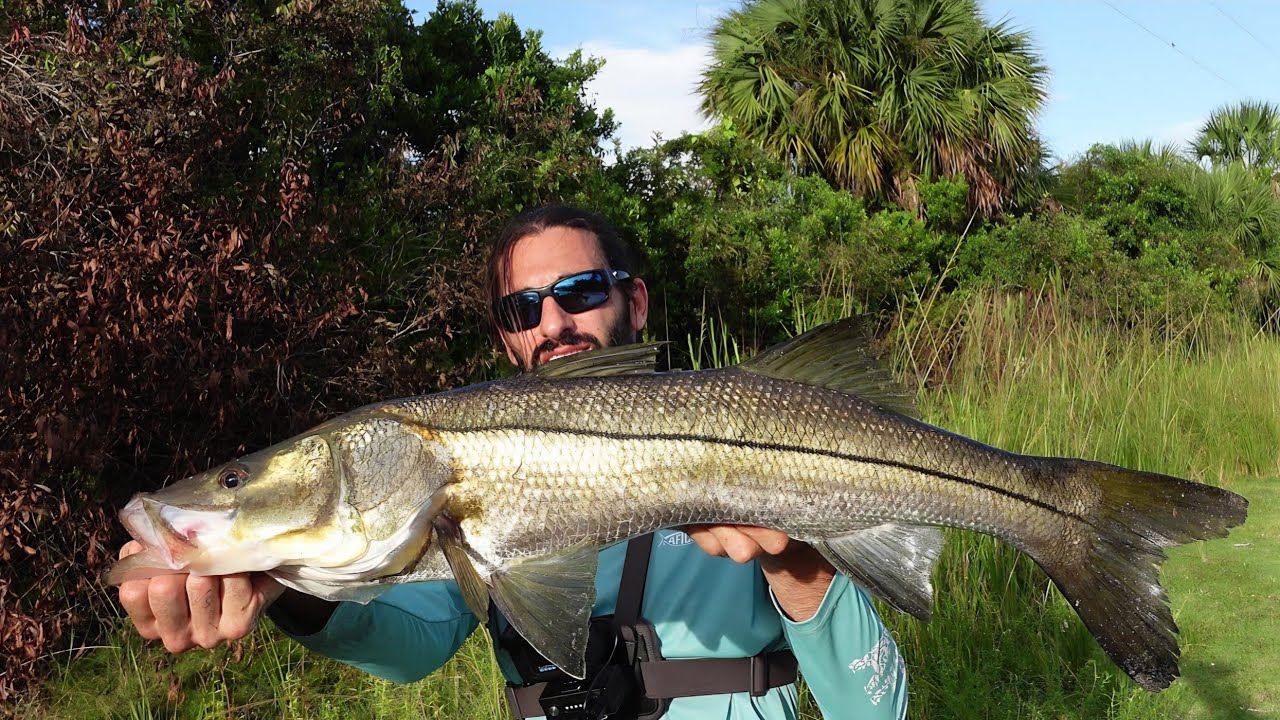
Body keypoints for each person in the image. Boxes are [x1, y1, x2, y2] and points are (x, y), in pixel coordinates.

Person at [118, 206, 908, 719]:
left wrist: (800, 568)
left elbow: (880, 711)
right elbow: (410, 648)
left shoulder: (746, 422)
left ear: (633, 302)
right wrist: (290, 592)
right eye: (523, 308)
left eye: (580, 290)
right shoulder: (457, 518)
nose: (554, 322)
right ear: (505, 337)